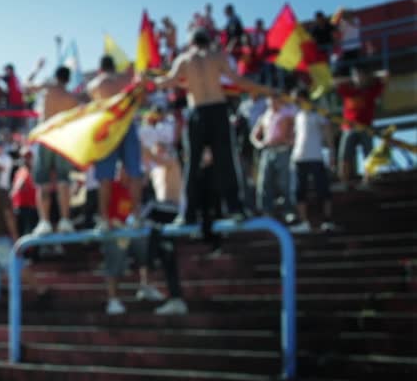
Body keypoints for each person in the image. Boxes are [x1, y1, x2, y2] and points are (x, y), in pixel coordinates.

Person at [154, 29, 273, 225]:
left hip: (197, 112)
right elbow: (237, 81)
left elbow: (168, 82)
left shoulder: (184, 59)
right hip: (217, 111)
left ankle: (188, 213)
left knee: (192, 164)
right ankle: (235, 208)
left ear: (191, 42)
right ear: (208, 42)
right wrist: (263, 89)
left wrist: (146, 82)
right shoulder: (217, 56)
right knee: (225, 161)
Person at [0, 165, 48, 310]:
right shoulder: (1, 193)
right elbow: (9, 217)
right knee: (18, 264)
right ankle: (39, 290)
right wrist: (16, 238)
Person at [86, 56, 139, 232]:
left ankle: (103, 219)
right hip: (126, 125)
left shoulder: (95, 85)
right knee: (133, 173)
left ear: (100, 68)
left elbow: (93, 107)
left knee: (105, 177)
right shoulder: (126, 79)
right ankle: (137, 216)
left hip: (107, 129)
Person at [27, 66, 79, 235]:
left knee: (43, 182)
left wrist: (37, 67)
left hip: (46, 137)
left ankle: (44, 222)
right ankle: (65, 220)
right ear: (68, 80)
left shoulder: (48, 88)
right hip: (62, 139)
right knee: (64, 180)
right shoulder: (72, 98)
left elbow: (26, 86)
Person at [290, 88, 336, 233]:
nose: (296, 102)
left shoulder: (318, 113)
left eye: (297, 99)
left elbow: (328, 131)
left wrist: (331, 152)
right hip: (299, 158)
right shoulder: (297, 115)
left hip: (316, 156)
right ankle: (304, 222)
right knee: (299, 191)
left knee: (323, 189)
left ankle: (327, 220)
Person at [335, 67, 388, 187]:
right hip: (349, 128)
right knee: (344, 156)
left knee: (369, 155)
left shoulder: (370, 91)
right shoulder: (348, 91)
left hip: (365, 128)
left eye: (361, 75)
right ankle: (344, 182)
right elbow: (334, 82)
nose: (359, 78)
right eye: (356, 76)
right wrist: (352, 78)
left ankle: (368, 180)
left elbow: (385, 75)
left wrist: (371, 75)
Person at [250, 95, 296, 219]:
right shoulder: (265, 116)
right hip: (268, 151)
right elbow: (254, 134)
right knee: (265, 181)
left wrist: (291, 141)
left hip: (283, 150)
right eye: (270, 100)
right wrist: (259, 144)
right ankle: (266, 211)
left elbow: (296, 131)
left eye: (275, 99)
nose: (272, 102)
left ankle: (288, 210)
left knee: (285, 182)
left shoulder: (287, 114)